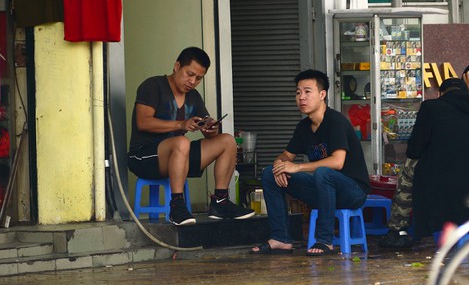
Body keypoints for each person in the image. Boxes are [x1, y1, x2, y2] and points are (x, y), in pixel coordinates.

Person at [379, 62, 469, 249]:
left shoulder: (430, 108)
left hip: (443, 186)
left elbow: (414, 150)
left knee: (409, 167)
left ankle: (398, 228)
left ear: (440, 94)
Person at [127, 47, 254, 226]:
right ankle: (177, 206)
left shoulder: (193, 96)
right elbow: (143, 122)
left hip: (180, 155)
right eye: (190, 74)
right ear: (177, 66)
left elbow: (209, 131)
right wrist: (180, 124)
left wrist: (210, 128)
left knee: (227, 140)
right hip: (144, 157)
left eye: (199, 78)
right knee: (182, 141)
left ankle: (220, 202)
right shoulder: (153, 86)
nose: (193, 81)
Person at [251, 69, 369, 256]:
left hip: (352, 191)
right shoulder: (303, 127)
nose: (301, 97)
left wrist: (297, 167)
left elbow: (338, 162)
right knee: (269, 174)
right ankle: (281, 238)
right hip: (324, 191)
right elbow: (284, 156)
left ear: (322, 95)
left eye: (307, 91)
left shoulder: (335, 121)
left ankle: (325, 241)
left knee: (323, 172)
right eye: (298, 93)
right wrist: (280, 166)